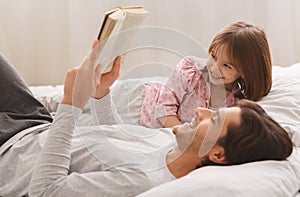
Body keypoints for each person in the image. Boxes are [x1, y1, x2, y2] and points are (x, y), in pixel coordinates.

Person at [20, 46, 291, 196]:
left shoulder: (141, 181)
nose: (201, 111)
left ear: (218, 154)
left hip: (11, 146)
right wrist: (101, 94)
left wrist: (70, 104)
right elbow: (109, 139)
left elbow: (45, 191)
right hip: (37, 124)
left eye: (215, 118)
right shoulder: (173, 141)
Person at [93, 20, 273, 128]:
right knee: (79, 108)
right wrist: (184, 136)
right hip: (139, 103)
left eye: (227, 65)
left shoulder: (236, 104)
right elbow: (163, 109)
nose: (214, 68)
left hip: (149, 125)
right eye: (213, 56)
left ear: (246, 72)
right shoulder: (191, 69)